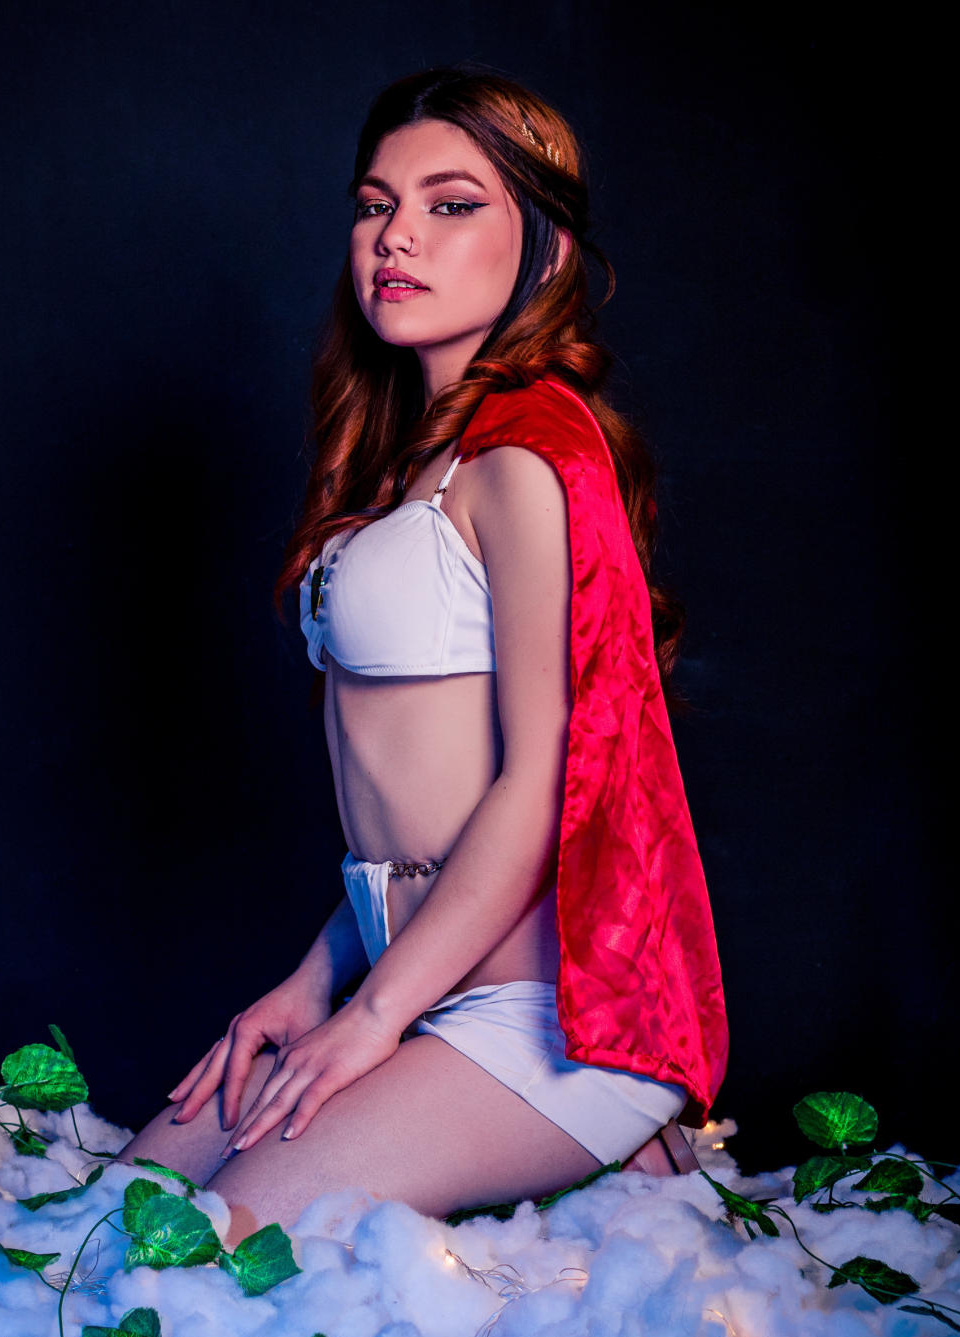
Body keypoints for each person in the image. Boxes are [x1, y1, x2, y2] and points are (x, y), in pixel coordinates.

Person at [120, 68, 727, 1243]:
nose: (397, 237)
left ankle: (601, 1163)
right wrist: (315, 984)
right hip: (412, 983)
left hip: (541, 1021)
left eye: (451, 205)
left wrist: (373, 1019)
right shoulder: (410, 463)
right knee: (121, 1215)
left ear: (545, 252)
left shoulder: (527, 459)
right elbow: (412, 815)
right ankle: (561, 1184)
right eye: (375, 205)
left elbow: (543, 778)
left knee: (212, 1258)